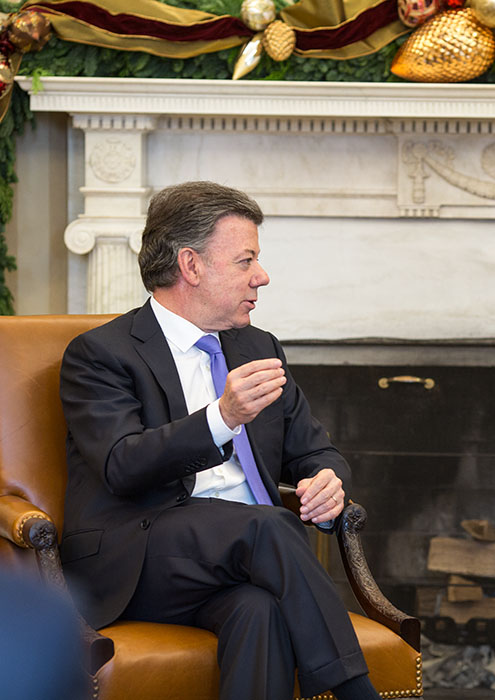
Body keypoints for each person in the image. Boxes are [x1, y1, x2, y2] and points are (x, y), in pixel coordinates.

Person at [59, 181, 382, 700]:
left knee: (260, 612)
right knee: (269, 527)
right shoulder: (101, 355)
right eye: (245, 260)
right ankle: (354, 690)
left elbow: (314, 449)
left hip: (241, 561)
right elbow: (122, 464)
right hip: (140, 559)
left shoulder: (257, 346)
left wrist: (327, 480)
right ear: (191, 266)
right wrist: (221, 417)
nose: (262, 276)